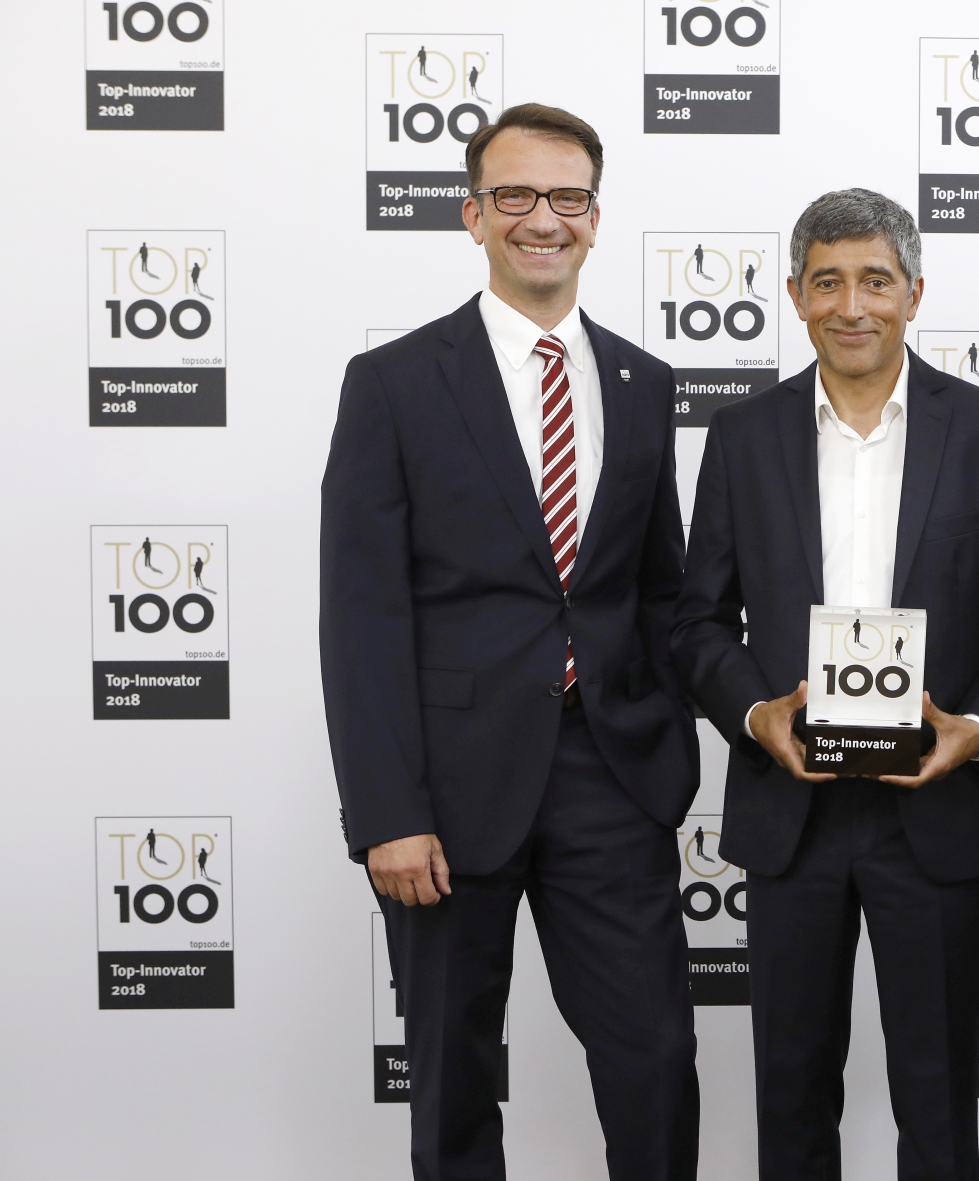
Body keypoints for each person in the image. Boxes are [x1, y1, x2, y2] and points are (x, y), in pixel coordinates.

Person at [320, 103, 699, 1181]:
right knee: (450, 1070)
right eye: (517, 197)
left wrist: (662, 749)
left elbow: (656, 587)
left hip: (610, 774)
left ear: (593, 215)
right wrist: (387, 810)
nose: (545, 218)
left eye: (567, 197)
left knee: (656, 1056)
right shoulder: (392, 383)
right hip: (444, 791)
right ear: (472, 215)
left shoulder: (641, 380)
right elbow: (360, 612)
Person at [673, 188, 979, 1181]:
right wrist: (756, 714)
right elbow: (699, 622)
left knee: (937, 1101)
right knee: (790, 1092)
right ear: (795, 295)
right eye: (830, 281)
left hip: (932, 810)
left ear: (915, 292)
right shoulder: (742, 433)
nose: (854, 304)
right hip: (785, 805)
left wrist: (972, 729)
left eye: (876, 280)